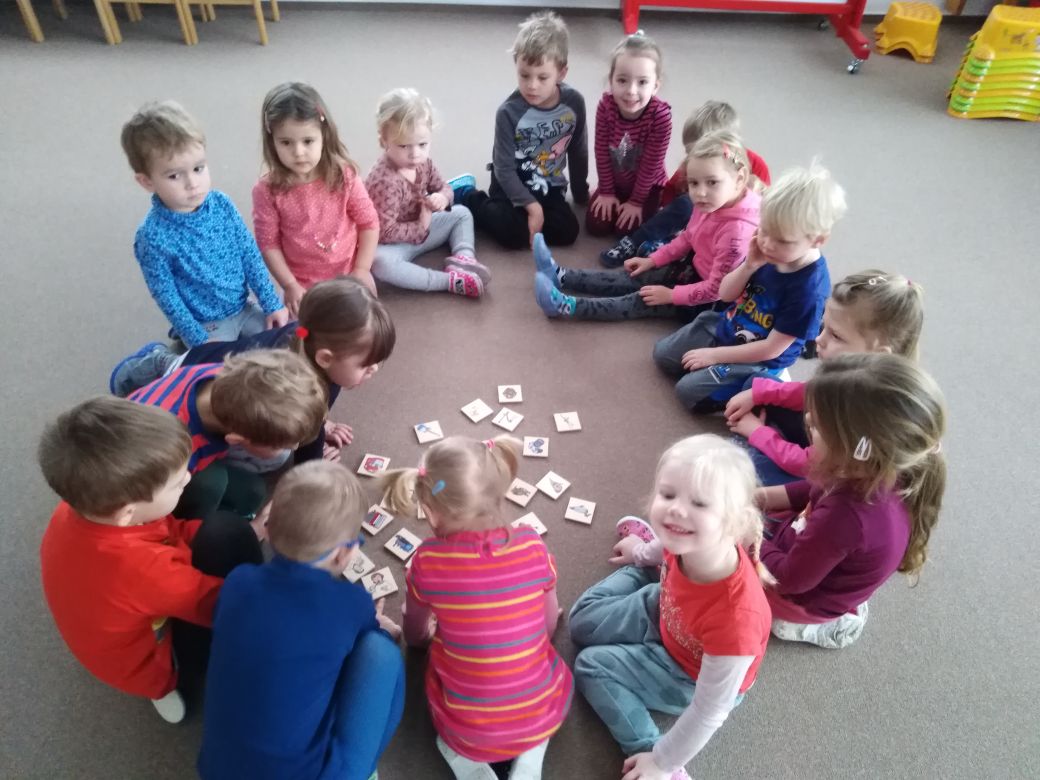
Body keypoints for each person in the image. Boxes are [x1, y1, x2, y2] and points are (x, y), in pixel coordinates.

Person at [38, 397, 262, 724]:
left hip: (110, 617)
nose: (188, 479)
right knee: (238, 609)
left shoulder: (82, 509)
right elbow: (218, 605)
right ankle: (166, 685)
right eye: (176, 482)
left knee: (221, 530)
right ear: (127, 512)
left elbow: (163, 528)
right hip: (143, 660)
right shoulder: (140, 570)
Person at [569, 435, 771, 780]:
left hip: (687, 673)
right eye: (667, 495)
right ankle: (644, 566)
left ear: (734, 524)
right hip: (667, 608)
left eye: (700, 503)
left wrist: (661, 761)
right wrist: (640, 553)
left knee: (590, 665)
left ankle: (659, 762)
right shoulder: (683, 537)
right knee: (580, 624)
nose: (676, 509)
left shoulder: (737, 620)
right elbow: (664, 547)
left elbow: (710, 710)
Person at [380, 436, 571, 780]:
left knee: (443, 703)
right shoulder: (532, 543)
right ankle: (531, 751)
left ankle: (467, 760)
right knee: (538, 690)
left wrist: (424, 639)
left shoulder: (427, 560)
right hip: (537, 708)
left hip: (467, 727)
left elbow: (416, 633)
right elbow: (548, 625)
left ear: (431, 511)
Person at [198, 461, 403, 780]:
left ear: (268, 529)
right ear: (343, 555)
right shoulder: (350, 602)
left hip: (216, 770)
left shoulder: (238, 580)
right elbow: (364, 637)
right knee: (381, 652)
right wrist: (383, 628)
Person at [756, 353, 946, 649]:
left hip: (803, 596)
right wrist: (758, 498)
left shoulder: (849, 517)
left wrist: (748, 533)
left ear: (856, 448)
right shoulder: (871, 469)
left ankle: (817, 623)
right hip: (812, 550)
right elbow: (812, 490)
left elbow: (789, 580)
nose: (807, 422)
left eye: (816, 426)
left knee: (721, 564)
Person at [111, 277, 395, 464]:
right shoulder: (291, 379)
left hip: (232, 379)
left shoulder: (314, 345)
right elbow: (297, 428)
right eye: (365, 365)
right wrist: (314, 468)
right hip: (195, 369)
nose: (373, 370)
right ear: (325, 358)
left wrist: (320, 428)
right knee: (275, 454)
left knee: (279, 449)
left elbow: (313, 415)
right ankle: (158, 360)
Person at [653, 162, 846, 413]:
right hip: (727, 325)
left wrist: (714, 356)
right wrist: (749, 266)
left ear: (818, 239)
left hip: (760, 358)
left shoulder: (810, 290)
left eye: (782, 240)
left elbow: (771, 348)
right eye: (764, 230)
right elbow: (725, 294)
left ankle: (767, 383)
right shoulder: (765, 251)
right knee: (663, 356)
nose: (767, 244)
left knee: (686, 392)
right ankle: (716, 363)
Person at [532, 131, 759, 322]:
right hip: (691, 268)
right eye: (694, 183)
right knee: (632, 277)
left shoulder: (736, 233)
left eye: (712, 182)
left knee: (637, 300)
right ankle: (561, 275)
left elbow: (716, 290)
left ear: (739, 179)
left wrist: (671, 295)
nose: (700, 192)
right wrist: (653, 260)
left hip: (705, 301)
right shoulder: (710, 201)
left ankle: (566, 306)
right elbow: (687, 237)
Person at [725, 271, 925, 485]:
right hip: (822, 435)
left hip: (826, 473)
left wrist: (758, 433)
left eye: (836, 335)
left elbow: (808, 464)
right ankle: (767, 440)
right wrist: (759, 393)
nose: (818, 339)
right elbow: (811, 391)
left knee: (755, 469)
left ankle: (762, 446)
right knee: (757, 384)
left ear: (877, 354)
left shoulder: (865, 414)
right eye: (823, 328)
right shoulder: (855, 375)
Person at [121, 100, 287, 347]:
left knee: (286, 341)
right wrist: (197, 338)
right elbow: (166, 295)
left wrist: (271, 303)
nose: (192, 183)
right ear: (147, 182)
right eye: (174, 175)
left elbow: (249, 255)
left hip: (243, 307)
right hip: (206, 325)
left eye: (198, 168)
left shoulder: (222, 204)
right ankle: (159, 359)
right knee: (220, 369)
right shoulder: (152, 236)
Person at [128, 349, 328, 520]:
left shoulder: (234, 378)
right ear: (236, 440)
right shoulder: (173, 450)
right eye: (283, 444)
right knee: (211, 484)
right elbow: (139, 502)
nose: (294, 448)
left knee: (254, 490)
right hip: (146, 467)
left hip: (168, 429)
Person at [453, 11, 588, 249]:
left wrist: (580, 193)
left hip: (548, 182)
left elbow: (578, 150)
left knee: (568, 231)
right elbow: (504, 169)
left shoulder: (574, 103)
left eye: (542, 77)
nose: (532, 85)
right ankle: (468, 195)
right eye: (524, 75)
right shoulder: (508, 112)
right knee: (512, 233)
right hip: (510, 180)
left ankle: (526, 216)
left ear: (561, 73)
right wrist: (532, 207)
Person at [253, 82, 380, 314]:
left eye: (308, 141)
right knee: (299, 332)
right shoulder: (266, 190)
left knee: (362, 324)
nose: (298, 152)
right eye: (286, 142)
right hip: (300, 285)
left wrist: (362, 269)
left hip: (348, 275)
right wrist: (289, 285)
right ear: (272, 141)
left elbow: (369, 223)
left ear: (324, 135)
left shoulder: (344, 176)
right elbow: (268, 243)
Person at [601, 100, 772, 266]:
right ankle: (637, 241)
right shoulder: (693, 166)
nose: (691, 158)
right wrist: (667, 214)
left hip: (725, 233)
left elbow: (763, 210)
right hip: (694, 221)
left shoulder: (756, 166)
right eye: (689, 153)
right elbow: (671, 189)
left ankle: (667, 246)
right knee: (685, 203)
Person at [365, 88, 490, 298]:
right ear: (384, 140)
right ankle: (448, 281)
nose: (415, 154)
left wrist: (442, 197)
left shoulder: (424, 163)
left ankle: (464, 259)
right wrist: (421, 226)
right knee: (381, 263)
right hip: (393, 243)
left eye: (422, 144)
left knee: (462, 213)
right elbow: (385, 232)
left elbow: (444, 187)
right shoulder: (384, 181)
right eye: (404, 146)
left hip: (423, 226)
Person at [586, 31, 671, 237]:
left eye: (642, 82)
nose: (631, 91)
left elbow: (650, 165)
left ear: (655, 86)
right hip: (615, 181)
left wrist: (636, 202)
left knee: (625, 231)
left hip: (648, 186)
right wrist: (606, 191)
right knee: (596, 225)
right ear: (611, 80)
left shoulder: (660, 116)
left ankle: (649, 205)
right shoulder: (605, 106)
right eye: (622, 80)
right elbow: (601, 152)